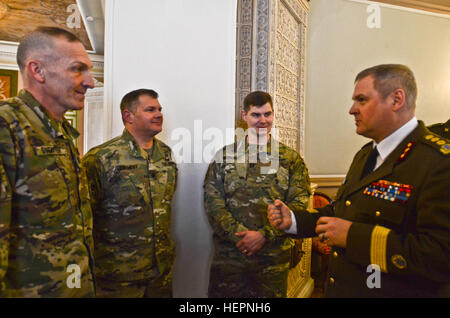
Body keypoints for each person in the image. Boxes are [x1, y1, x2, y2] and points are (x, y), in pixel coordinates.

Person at [268, 64, 450, 297]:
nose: (352, 109)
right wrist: (293, 221)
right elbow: (341, 214)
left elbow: (440, 256)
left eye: (362, 100)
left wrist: (352, 237)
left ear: (396, 100)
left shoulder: (438, 162)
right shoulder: (366, 154)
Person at [0, 27, 96, 297]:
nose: (90, 82)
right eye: (77, 69)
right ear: (37, 71)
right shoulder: (7, 127)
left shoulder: (60, 131)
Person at [204, 91, 311, 298]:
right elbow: (213, 202)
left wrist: (264, 235)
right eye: (256, 115)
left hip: (272, 259)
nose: (263, 120)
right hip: (230, 258)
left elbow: (299, 203)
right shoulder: (225, 156)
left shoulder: (290, 158)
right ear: (244, 116)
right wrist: (239, 236)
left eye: (267, 114)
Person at [82, 89, 178, 297]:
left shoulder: (165, 155)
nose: (159, 114)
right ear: (128, 116)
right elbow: (83, 219)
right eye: (150, 110)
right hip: (118, 277)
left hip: (160, 274)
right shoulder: (101, 158)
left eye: (159, 109)